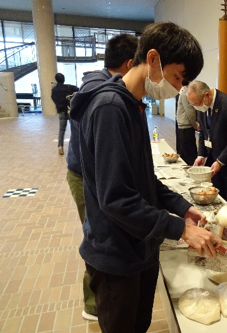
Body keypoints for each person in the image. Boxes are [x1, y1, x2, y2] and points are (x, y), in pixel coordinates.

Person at [69, 22, 222, 333]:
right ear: (153, 59)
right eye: (178, 77)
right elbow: (116, 199)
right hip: (116, 254)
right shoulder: (109, 108)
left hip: (140, 248)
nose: (179, 87)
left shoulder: (134, 106)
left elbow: (144, 179)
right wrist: (180, 230)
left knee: (140, 324)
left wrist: (182, 207)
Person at [66, 33, 138, 321]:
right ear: (131, 63)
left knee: (99, 233)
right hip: (84, 176)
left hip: (84, 172)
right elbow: (114, 197)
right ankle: (94, 304)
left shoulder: (102, 88)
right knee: (99, 237)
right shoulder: (107, 99)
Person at [187, 80, 227, 201]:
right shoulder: (202, 108)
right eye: (193, 105)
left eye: (197, 103)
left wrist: (220, 161)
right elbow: (202, 133)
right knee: (216, 198)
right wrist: (201, 154)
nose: (196, 107)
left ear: (207, 95)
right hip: (213, 161)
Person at [51, 73, 78, 155]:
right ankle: (75, 147)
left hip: (61, 111)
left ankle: (60, 146)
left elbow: (53, 98)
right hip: (70, 110)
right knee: (74, 129)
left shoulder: (54, 90)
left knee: (62, 130)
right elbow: (78, 89)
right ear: (64, 79)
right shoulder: (68, 87)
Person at [176, 86, 198, 165]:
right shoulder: (185, 92)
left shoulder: (184, 92)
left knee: (187, 152)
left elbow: (190, 111)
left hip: (185, 126)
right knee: (188, 153)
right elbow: (190, 111)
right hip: (186, 126)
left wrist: (194, 124)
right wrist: (195, 125)